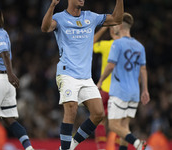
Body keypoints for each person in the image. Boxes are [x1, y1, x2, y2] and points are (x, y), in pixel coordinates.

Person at [41, 0, 124, 149]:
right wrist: (52, 5)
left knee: (98, 113)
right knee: (71, 107)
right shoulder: (60, 17)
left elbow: (117, 19)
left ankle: (70, 145)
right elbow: (45, 27)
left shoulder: (90, 17)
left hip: (85, 77)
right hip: (67, 74)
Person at [97, 13, 150, 150]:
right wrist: (145, 90)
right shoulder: (140, 46)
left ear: (120, 26)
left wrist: (100, 81)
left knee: (114, 125)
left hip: (119, 91)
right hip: (134, 92)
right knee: (124, 127)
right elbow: (143, 70)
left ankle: (138, 143)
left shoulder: (117, 44)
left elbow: (110, 66)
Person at [0, 9, 34, 150]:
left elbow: (4, 53)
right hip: (6, 82)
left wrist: (11, 74)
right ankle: (29, 148)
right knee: (9, 119)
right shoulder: (4, 33)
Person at [93, 27, 120, 150]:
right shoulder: (128, 47)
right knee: (119, 123)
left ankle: (102, 148)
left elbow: (91, 43)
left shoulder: (106, 45)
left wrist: (103, 28)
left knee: (100, 120)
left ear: (111, 31)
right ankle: (116, 147)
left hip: (104, 89)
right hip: (120, 91)